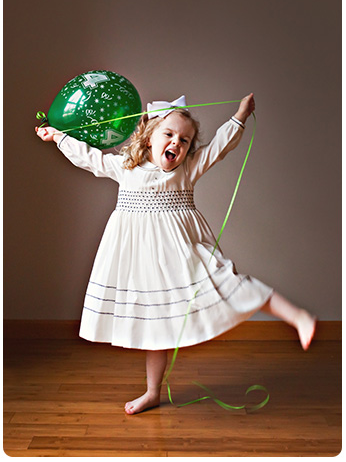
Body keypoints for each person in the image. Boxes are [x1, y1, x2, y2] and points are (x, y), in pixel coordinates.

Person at [35, 93, 316, 415]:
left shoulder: (188, 169)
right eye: (168, 134)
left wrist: (239, 115)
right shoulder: (125, 168)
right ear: (148, 134)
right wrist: (57, 135)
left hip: (183, 253)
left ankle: (298, 317)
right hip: (140, 259)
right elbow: (88, 157)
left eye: (185, 140)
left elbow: (219, 148)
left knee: (231, 283)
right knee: (156, 326)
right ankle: (153, 392)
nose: (177, 143)